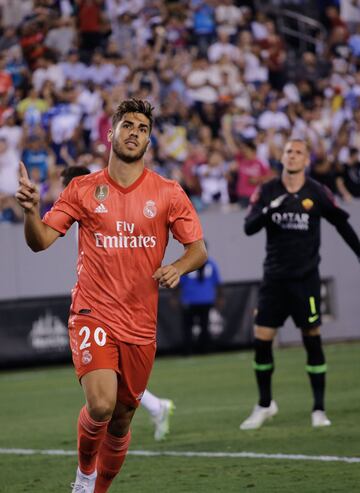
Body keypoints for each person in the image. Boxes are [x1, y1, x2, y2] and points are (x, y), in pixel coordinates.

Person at [15, 98, 207, 493]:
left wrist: (178, 266)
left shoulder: (168, 192)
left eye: (142, 129)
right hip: (92, 312)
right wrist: (32, 212)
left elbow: (198, 250)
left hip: (140, 323)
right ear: (111, 132)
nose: (134, 132)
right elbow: (41, 242)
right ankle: (83, 480)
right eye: (128, 125)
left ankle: (97, 491)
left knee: (121, 418)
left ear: (149, 141)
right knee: (100, 404)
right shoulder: (82, 189)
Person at [240, 139, 360, 430]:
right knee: (262, 341)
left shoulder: (317, 192)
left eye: (298, 152)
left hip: (306, 281)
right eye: (288, 151)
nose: (292, 156)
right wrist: (269, 210)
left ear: (306, 160)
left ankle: (318, 409)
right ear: (281, 157)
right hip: (274, 280)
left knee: (312, 339)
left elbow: (341, 223)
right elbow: (248, 227)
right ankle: (265, 404)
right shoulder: (267, 190)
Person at [62, 166, 176, 442]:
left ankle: (157, 407)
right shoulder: (83, 218)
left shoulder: (97, 214)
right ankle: (157, 407)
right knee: (105, 390)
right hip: (97, 308)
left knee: (115, 398)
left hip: (127, 310)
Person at [179, 252, 222, 355]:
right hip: (190, 299)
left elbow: (217, 283)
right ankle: (188, 351)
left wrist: (220, 298)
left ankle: (204, 350)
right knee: (188, 327)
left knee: (204, 326)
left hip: (205, 300)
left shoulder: (210, 264)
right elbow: (179, 282)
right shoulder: (187, 263)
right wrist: (175, 297)